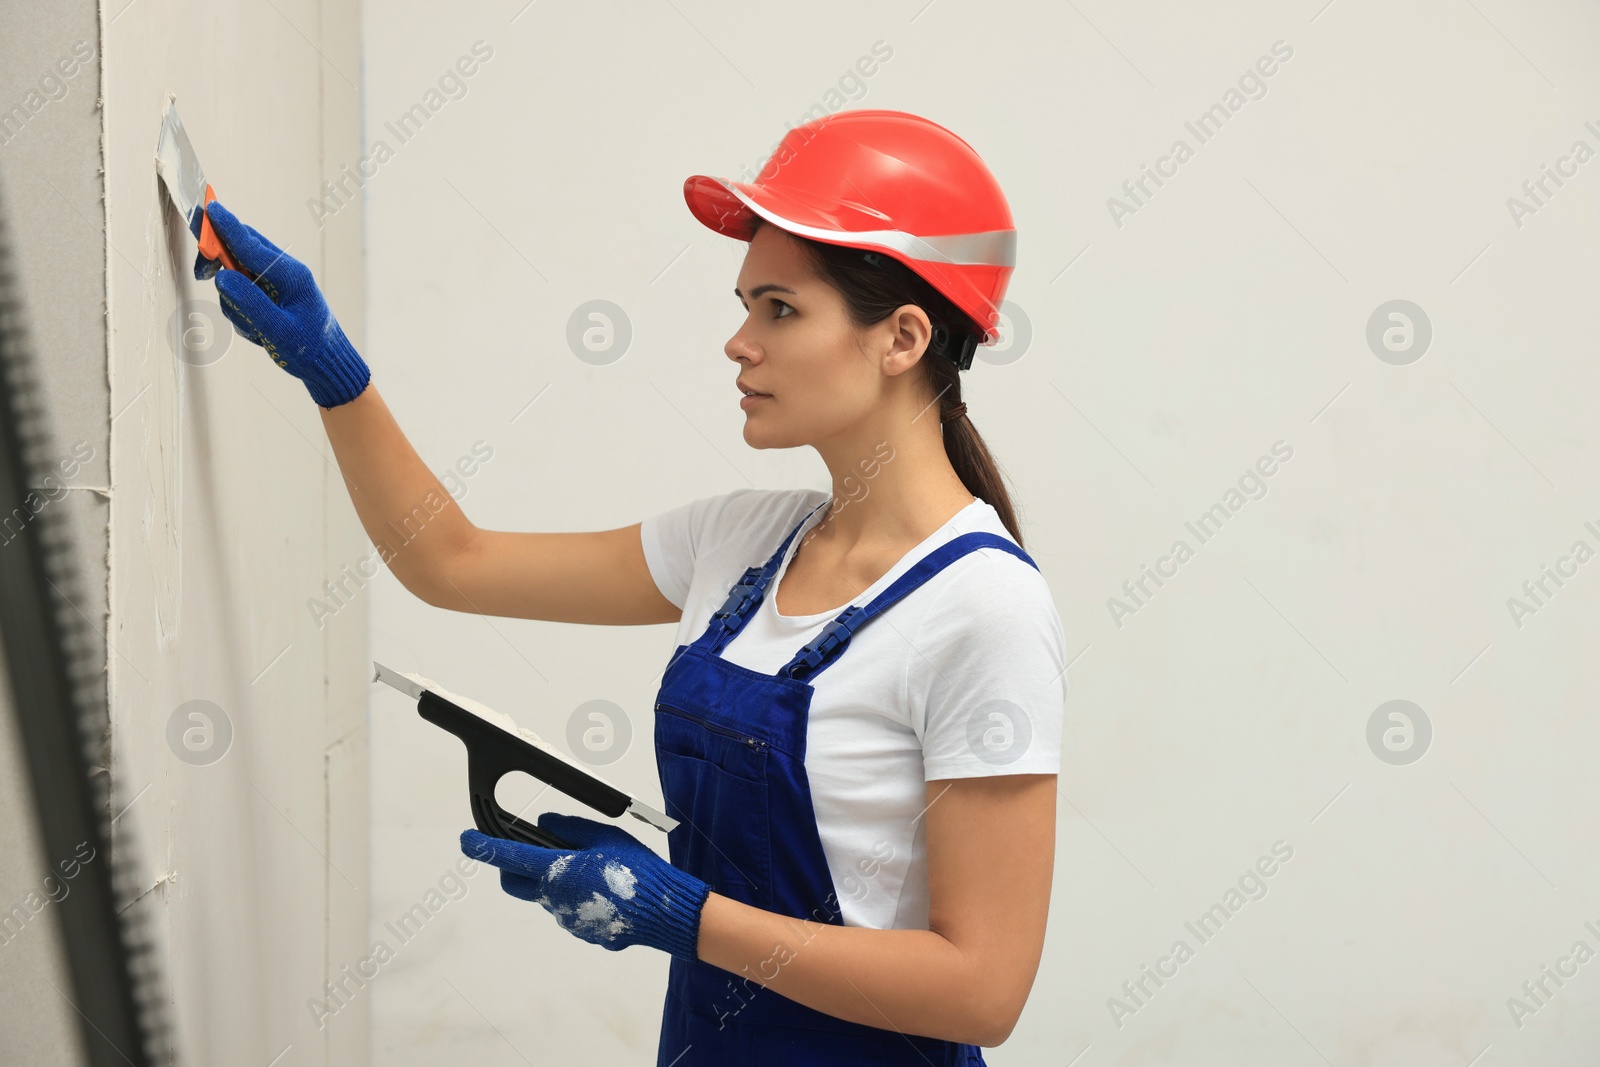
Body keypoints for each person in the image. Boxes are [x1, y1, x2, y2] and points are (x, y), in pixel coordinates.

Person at [203, 107, 1065, 1065]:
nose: (739, 343)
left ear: (902, 337)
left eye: (779, 308)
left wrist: (680, 912)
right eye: (745, 307)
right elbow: (450, 560)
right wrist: (331, 369)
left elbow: (982, 989)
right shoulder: (739, 541)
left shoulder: (985, 610)